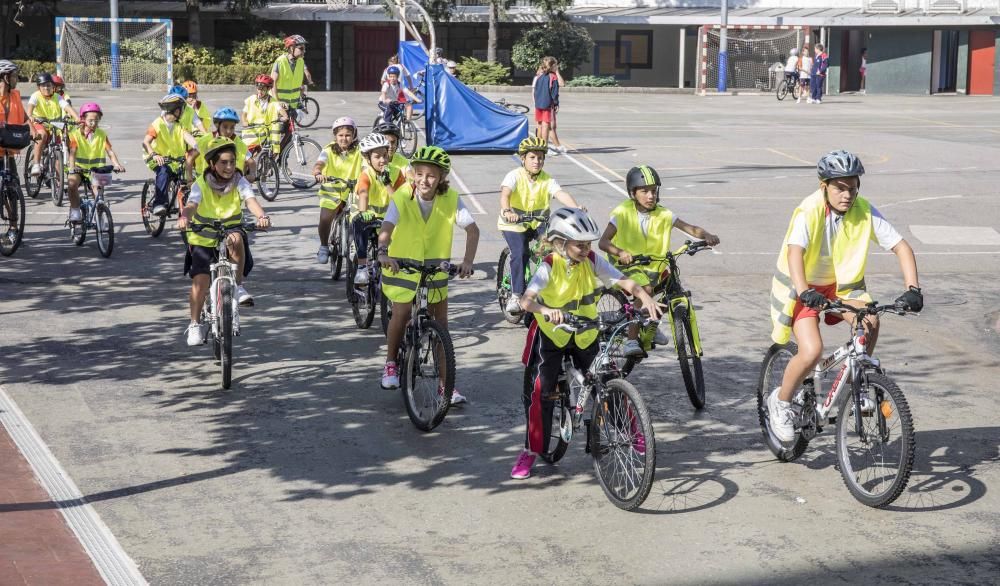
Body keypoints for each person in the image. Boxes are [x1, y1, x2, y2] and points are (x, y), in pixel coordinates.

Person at [766, 150, 923, 443]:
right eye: (840, 187)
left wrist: (913, 289)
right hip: (805, 287)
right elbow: (795, 252)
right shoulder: (808, 209)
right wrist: (804, 291)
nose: (847, 194)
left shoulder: (864, 210)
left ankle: (856, 387)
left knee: (871, 321)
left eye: (853, 187)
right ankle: (781, 402)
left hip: (841, 287)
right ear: (823, 186)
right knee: (812, 350)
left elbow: (902, 247)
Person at [511, 208, 663, 479]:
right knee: (541, 392)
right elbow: (526, 300)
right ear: (561, 242)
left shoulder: (592, 260)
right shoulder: (549, 264)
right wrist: (545, 311)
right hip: (553, 335)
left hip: (585, 333)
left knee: (609, 381)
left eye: (588, 244)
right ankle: (531, 450)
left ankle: (631, 432)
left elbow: (622, 280)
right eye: (579, 244)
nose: (585, 249)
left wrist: (645, 297)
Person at [376, 146, 479, 405]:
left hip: (435, 269)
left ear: (442, 177)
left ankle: (447, 387)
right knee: (400, 313)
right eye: (419, 173)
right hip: (402, 265)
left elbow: (473, 230)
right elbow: (387, 226)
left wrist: (467, 261)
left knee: (441, 327)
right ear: (412, 174)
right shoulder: (402, 195)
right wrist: (383, 251)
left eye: (431, 175)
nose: (424, 179)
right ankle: (390, 363)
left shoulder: (451, 198)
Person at [598, 165, 720, 357]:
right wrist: (620, 252)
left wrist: (707, 235)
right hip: (626, 266)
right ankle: (631, 340)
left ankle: (649, 324)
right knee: (645, 289)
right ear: (632, 193)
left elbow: (690, 228)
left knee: (669, 283)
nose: (650, 196)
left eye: (653, 191)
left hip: (653, 266)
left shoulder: (664, 214)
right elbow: (603, 242)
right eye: (644, 191)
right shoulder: (622, 212)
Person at [178, 138, 271, 346]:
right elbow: (192, 204)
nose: (229, 167)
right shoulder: (201, 183)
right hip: (203, 235)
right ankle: (194, 324)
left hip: (230, 231)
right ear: (212, 164)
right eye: (224, 163)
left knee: (236, 238)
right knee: (200, 282)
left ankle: (237, 287)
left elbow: (250, 200)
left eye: (232, 162)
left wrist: (261, 216)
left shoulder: (240, 181)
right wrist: (185, 217)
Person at [499, 136, 581, 315]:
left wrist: (576, 208)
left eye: (540, 157)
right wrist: (507, 212)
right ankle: (516, 295)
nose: (537, 161)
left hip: (538, 224)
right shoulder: (514, 175)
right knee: (520, 252)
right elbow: (505, 195)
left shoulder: (547, 179)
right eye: (532, 157)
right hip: (514, 224)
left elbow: (560, 193)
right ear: (523, 159)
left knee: (553, 252)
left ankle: (550, 291)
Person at [351, 133, 406, 286]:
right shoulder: (366, 174)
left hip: (388, 218)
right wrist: (363, 213)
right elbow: (363, 194)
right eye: (377, 157)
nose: (382, 160)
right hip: (368, 215)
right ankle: (361, 266)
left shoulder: (395, 172)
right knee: (359, 224)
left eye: (385, 155)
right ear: (368, 158)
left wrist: (387, 182)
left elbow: (400, 200)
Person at [311, 117, 362, 264]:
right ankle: (324, 246)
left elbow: (368, 162)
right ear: (335, 136)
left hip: (353, 190)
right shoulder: (328, 150)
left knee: (361, 217)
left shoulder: (360, 150)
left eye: (348, 135)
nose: (344, 138)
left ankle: (357, 245)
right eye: (340, 135)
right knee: (325, 218)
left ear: (354, 135)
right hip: (331, 190)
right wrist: (318, 172)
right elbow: (320, 163)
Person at [65, 103, 124, 224]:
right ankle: (75, 210)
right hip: (79, 169)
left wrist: (117, 164)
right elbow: (72, 152)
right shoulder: (75, 134)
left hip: (96, 170)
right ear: (83, 120)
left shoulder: (101, 134)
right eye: (91, 120)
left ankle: (100, 216)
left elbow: (110, 151)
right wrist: (72, 168)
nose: (94, 123)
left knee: (98, 195)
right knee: (72, 184)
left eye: (97, 120)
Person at [143, 93, 199, 217]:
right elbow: (146, 142)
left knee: (184, 178)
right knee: (163, 171)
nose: (182, 112)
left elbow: (187, 136)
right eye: (180, 109)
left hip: (174, 160)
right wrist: (154, 154)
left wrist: (197, 146)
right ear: (173, 109)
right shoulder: (157, 124)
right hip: (156, 159)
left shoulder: (179, 125)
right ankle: (159, 203)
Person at [26, 72, 77, 177]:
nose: (46, 88)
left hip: (54, 125)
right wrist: (30, 115)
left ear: (53, 86)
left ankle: (58, 181)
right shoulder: (36, 96)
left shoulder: (57, 97)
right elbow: (30, 108)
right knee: (42, 135)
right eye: (43, 85)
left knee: (58, 150)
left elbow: (67, 107)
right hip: (39, 123)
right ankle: (36, 163)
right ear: (38, 87)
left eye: (49, 85)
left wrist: (77, 118)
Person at [195, 107, 255, 182]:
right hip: (207, 183)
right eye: (225, 127)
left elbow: (251, 162)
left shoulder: (239, 143)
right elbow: (190, 158)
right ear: (217, 126)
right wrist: (190, 179)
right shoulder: (206, 140)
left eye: (232, 127)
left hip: (232, 184)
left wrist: (252, 174)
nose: (229, 131)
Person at [241, 74, 287, 155]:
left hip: (267, 133)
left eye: (263, 89)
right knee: (247, 157)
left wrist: (284, 117)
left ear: (268, 89)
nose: (260, 91)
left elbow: (281, 110)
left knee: (274, 151)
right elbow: (244, 114)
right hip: (253, 132)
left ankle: (270, 163)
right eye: (258, 89)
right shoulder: (251, 100)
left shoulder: (273, 102)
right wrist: (244, 122)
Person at [0, 60, 27, 190]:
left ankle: (12, 210)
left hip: (8, 147)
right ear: (5, 77)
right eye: (14, 76)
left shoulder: (15, 95)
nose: (16, 79)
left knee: (14, 186)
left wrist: (35, 131)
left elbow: (24, 117)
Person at [272, 34, 313, 112]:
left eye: (304, 49)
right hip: (280, 105)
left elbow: (296, 81)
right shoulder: (280, 61)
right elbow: (272, 83)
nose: (304, 51)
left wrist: (300, 99)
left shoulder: (301, 61)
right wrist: (277, 102)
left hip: (293, 105)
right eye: (301, 48)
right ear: (291, 48)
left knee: (291, 124)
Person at [532, 57, 562, 155]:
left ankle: (539, 146)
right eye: (556, 65)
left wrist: (537, 101)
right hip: (547, 104)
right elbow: (554, 92)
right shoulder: (552, 77)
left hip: (538, 104)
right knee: (546, 126)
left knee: (540, 125)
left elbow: (535, 91)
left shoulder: (539, 76)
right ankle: (545, 148)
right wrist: (556, 103)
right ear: (553, 66)